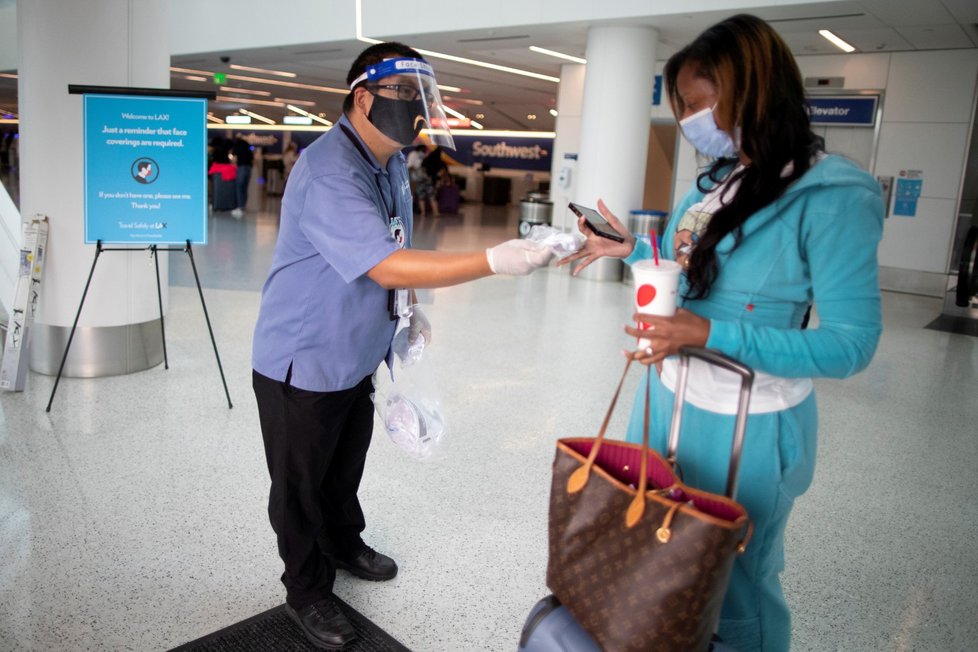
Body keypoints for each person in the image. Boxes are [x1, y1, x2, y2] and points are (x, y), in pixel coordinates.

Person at [560, 14, 883, 652]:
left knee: (732, 580)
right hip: (664, 400)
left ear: (751, 88)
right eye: (681, 104)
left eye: (695, 100)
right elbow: (692, 270)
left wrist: (709, 332)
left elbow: (852, 345)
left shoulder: (834, 195)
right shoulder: (715, 182)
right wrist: (633, 250)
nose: (687, 117)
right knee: (652, 553)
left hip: (749, 422)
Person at [251, 41, 554, 650]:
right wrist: (492, 259)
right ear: (362, 99)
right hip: (304, 359)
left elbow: (394, 251)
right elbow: (388, 263)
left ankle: (343, 543)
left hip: (356, 353)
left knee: (344, 468)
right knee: (300, 486)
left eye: (424, 97)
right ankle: (306, 590)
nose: (418, 111)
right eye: (405, 96)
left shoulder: (387, 161)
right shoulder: (331, 168)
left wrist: (406, 317)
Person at [231, 133, 254, 218]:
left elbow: (233, 153)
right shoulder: (248, 147)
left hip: (241, 167)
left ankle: (240, 207)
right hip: (249, 168)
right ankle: (243, 206)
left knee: (239, 187)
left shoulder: (238, 145)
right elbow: (252, 158)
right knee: (244, 188)